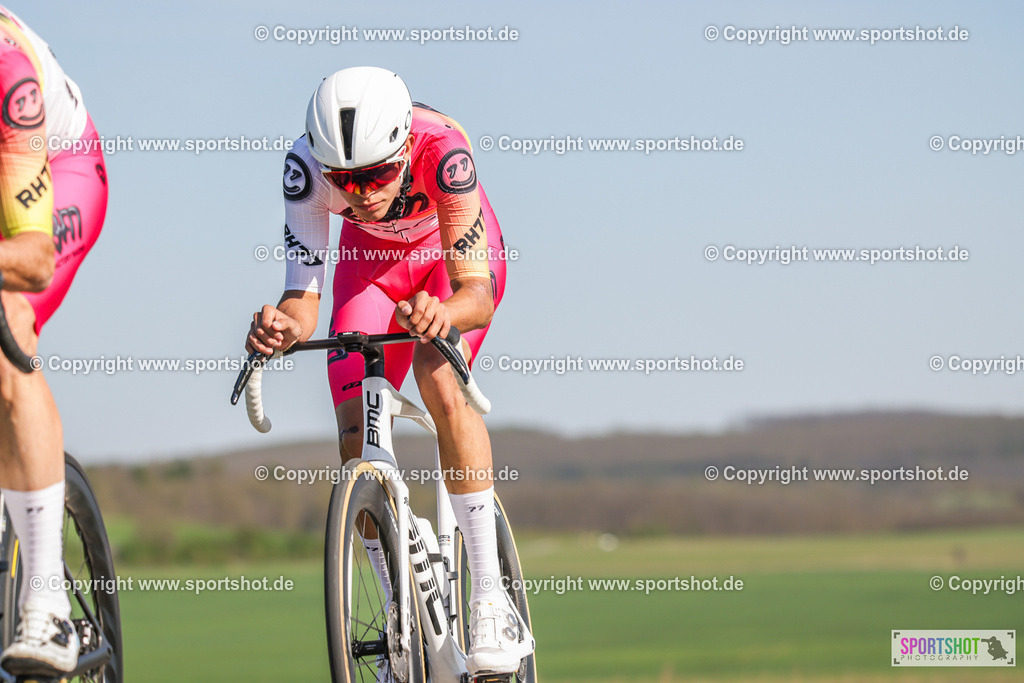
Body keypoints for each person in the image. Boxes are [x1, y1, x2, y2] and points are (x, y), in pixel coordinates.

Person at [246, 66, 533, 675]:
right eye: (345, 181)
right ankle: (396, 602)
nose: (363, 193)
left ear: (403, 148)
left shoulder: (443, 153)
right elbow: (304, 301)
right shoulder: (305, 168)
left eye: (377, 174)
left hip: (448, 265)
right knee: (355, 425)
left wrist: (443, 310)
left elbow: (476, 294)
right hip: (370, 268)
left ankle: (487, 597)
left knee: (437, 378)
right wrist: (280, 326)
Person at [0, 5, 107, 676]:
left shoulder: (9, 72)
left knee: (9, 314)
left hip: (58, 176)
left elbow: (33, 256)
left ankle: (47, 602)